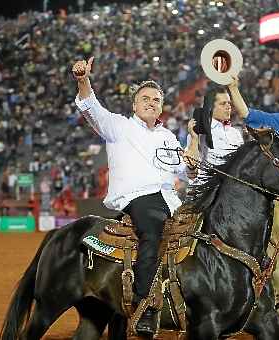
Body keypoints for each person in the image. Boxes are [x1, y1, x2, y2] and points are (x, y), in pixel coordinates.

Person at [72, 57, 199, 336]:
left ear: (162, 106)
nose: (151, 102)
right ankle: (144, 305)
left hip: (171, 200)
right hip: (139, 198)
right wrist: (83, 80)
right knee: (152, 231)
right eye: (145, 98)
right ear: (134, 104)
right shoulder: (118, 126)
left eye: (156, 99)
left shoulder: (168, 136)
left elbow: (187, 171)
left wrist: (191, 158)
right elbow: (91, 108)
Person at [187, 85, 244, 180]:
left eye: (229, 103)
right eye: (223, 104)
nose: (228, 107)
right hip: (208, 191)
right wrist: (194, 139)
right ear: (211, 107)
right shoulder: (199, 133)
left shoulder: (236, 133)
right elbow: (190, 173)